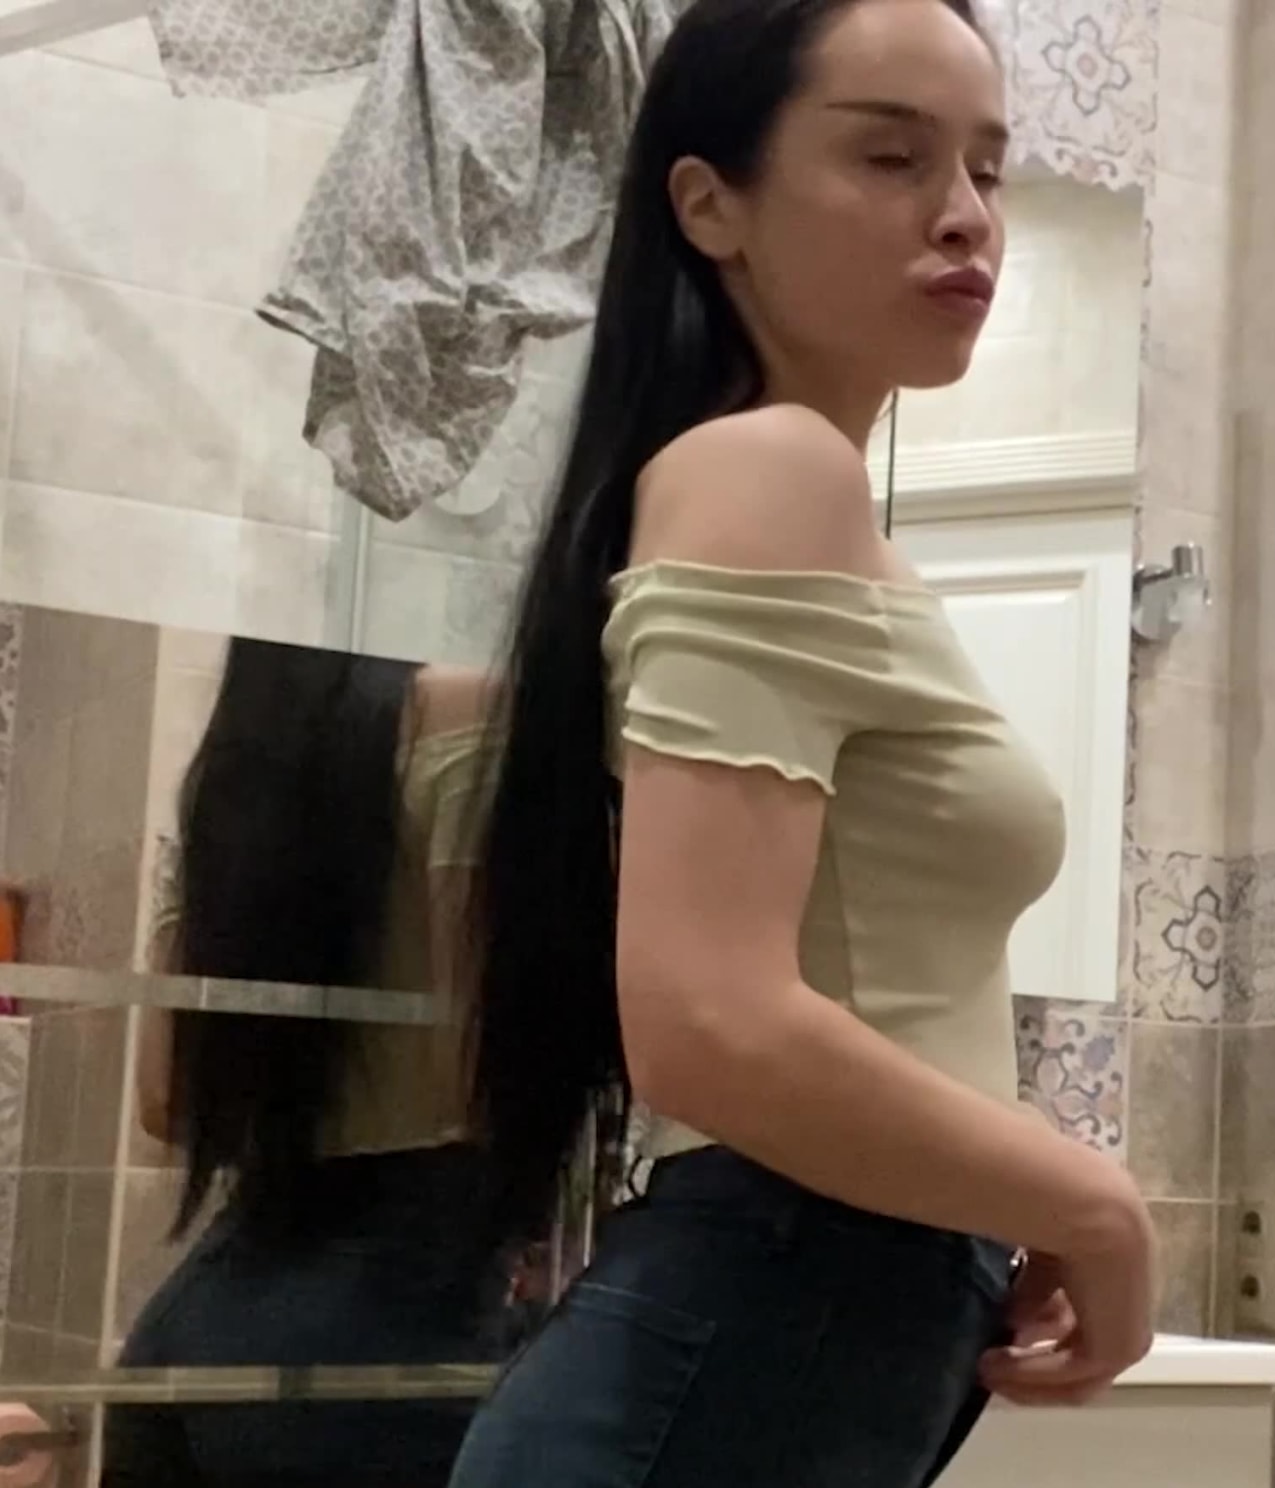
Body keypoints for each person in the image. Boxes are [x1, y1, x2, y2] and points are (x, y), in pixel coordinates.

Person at [443, 1, 1155, 1482]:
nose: (964, 216)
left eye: (987, 169)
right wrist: (1090, 1204)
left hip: (777, 1310)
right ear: (711, 205)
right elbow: (709, 1019)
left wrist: (1004, 1190)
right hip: (768, 1291)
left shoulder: (790, 496)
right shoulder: (768, 469)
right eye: (891, 158)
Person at [107, 644, 511, 1488]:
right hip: (393, 1328)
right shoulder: (467, 714)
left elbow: (165, 1098)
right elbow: (483, 1063)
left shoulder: (236, 760)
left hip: (194, 1326)